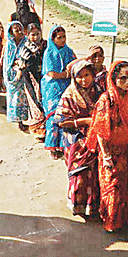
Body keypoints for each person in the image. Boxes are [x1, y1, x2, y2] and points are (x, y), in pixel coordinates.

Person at [86, 60, 128, 232]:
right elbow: (100, 130)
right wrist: (107, 156)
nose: (127, 82)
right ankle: (111, 222)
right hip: (111, 151)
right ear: (114, 79)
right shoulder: (106, 99)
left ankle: (125, 219)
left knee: (127, 186)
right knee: (111, 187)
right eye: (122, 78)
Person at [54, 59, 100, 216]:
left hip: (96, 138)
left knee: (94, 174)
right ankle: (77, 205)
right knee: (79, 175)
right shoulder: (69, 95)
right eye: (79, 76)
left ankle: (92, 205)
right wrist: (84, 121)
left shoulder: (98, 91)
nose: (84, 80)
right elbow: (61, 121)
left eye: (87, 75)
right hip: (75, 139)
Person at [42, 25, 76, 159]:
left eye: (64, 37)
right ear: (52, 39)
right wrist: (67, 74)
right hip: (52, 88)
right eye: (59, 37)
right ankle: (51, 146)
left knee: (65, 114)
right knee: (53, 116)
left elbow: (75, 64)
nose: (62, 40)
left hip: (66, 87)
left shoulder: (69, 51)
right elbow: (51, 73)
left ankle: (62, 145)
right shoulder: (49, 53)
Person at [15, 21, 47, 139]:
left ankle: (44, 127)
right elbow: (21, 64)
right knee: (34, 101)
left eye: (37, 34)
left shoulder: (46, 45)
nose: (35, 37)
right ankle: (37, 129)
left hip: (43, 77)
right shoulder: (25, 48)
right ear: (27, 35)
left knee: (43, 101)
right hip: (30, 78)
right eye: (32, 35)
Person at [3, 20, 29, 129]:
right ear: (11, 32)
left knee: (25, 98)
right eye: (16, 29)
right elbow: (8, 61)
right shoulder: (10, 44)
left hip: (25, 73)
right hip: (13, 74)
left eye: (20, 28)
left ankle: (26, 119)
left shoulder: (26, 41)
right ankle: (18, 120)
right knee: (15, 98)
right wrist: (16, 67)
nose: (19, 31)